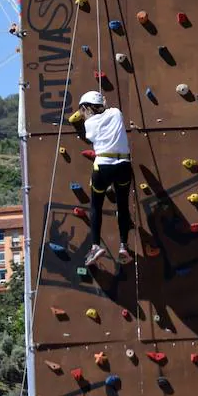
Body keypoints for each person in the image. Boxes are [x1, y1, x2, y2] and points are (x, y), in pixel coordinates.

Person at [77, 90, 133, 265]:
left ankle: (95, 246)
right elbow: (109, 110)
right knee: (123, 206)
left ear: (87, 107)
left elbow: (90, 138)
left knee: (96, 206)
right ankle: (123, 246)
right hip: (123, 165)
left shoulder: (90, 125)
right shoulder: (116, 113)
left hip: (103, 166)